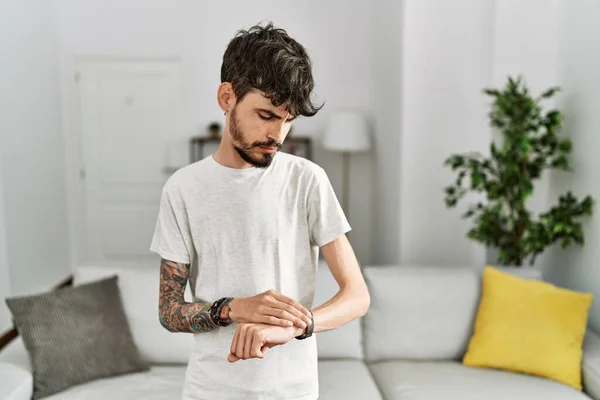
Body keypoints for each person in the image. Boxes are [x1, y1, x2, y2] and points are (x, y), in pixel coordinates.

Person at [150, 21, 370, 400]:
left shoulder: (307, 180)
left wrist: (301, 325)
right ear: (226, 98)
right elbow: (169, 311)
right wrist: (233, 309)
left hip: (292, 391)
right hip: (210, 390)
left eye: (288, 120)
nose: (278, 136)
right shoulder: (183, 189)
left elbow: (357, 296)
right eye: (266, 115)